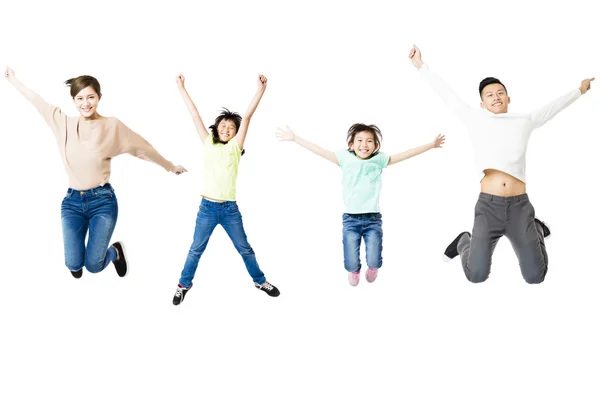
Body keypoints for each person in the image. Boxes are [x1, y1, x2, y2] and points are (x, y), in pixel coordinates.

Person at [408, 45, 594, 283]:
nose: (495, 97)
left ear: (508, 98)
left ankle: (535, 228)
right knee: (476, 275)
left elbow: (552, 108)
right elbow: (446, 93)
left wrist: (580, 90)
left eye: (499, 93)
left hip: (520, 208)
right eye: (489, 95)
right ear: (482, 103)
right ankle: (465, 240)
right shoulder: (473, 118)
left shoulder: (524, 120)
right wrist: (420, 66)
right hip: (488, 208)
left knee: (536, 276)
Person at [4, 66, 187, 279]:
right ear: (73, 100)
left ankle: (115, 252)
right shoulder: (63, 123)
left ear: (99, 97)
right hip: (72, 202)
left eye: (91, 97)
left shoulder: (111, 126)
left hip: (102, 201)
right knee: (73, 265)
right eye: (80, 98)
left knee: (93, 266)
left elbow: (142, 148)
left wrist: (169, 166)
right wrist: (13, 80)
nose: (86, 103)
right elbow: (36, 100)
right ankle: (78, 259)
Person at [276, 123, 444, 286]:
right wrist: (295, 138)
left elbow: (406, 154)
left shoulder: (379, 159)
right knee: (350, 263)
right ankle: (354, 271)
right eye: (360, 140)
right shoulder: (344, 157)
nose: (364, 145)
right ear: (351, 144)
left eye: (369, 141)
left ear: (376, 145)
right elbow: (320, 151)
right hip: (351, 220)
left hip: (373, 219)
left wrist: (431, 145)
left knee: (374, 260)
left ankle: (372, 270)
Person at [173, 73, 280, 305]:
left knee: (245, 248)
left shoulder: (234, 147)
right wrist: (182, 87)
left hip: (230, 210)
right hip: (207, 208)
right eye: (223, 125)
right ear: (216, 128)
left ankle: (259, 280)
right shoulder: (208, 142)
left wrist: (260, 90)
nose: (227, 129)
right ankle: (183, 284)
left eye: (231, 127)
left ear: (235, 133)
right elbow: (194, 114)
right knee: (195, 250)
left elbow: (249, 116)